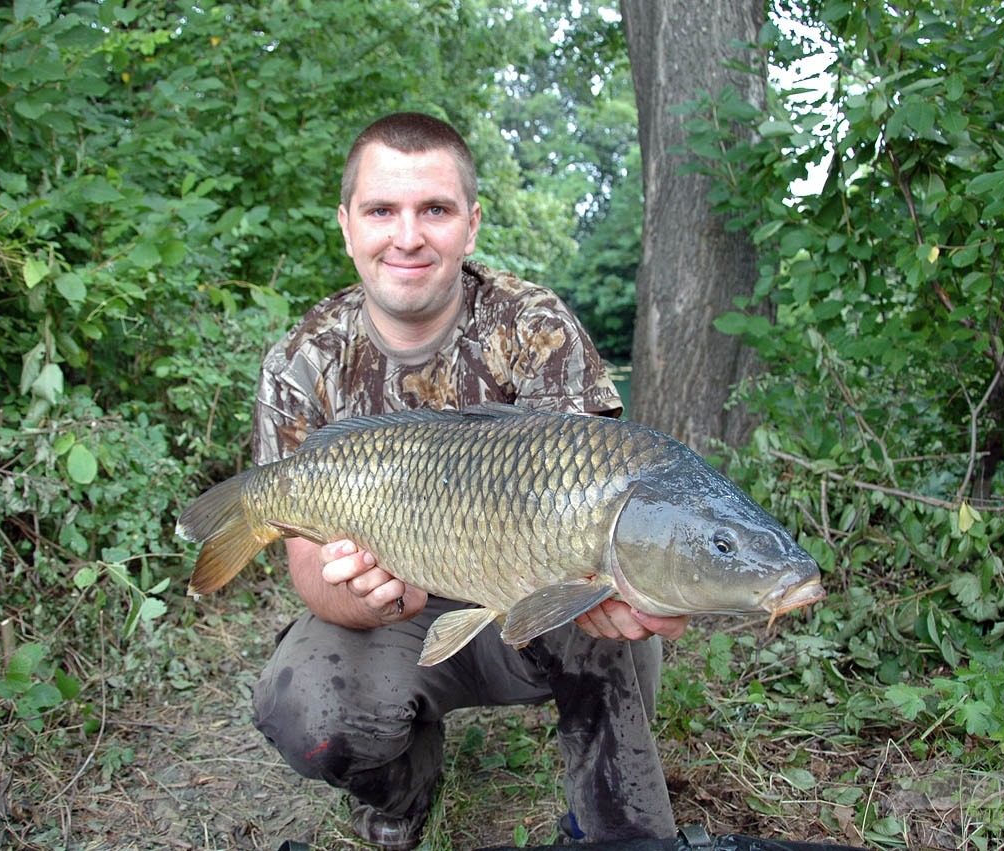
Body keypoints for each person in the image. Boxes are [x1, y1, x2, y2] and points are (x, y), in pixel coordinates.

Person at [249, 112, 689, 849]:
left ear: (472, 224)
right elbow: (306, 571)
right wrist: (360, 595)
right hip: (399, 618)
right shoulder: (303, 361)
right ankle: (402, 787)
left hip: (524, 602)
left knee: (616, 613)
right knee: (306, 708)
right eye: (382, 210)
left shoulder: (533, 324)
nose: (409, 235)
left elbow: (599, 499)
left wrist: (629, 584)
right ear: (347, 224)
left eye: (436, 210)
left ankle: (615, 823)